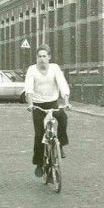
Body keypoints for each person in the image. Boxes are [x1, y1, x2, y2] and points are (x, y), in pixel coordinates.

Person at [24, 44, 70, 178]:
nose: (42, 59)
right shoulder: (32, 70)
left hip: (52, 102)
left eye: (44, 56)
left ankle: (60, 144)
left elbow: (63, 85)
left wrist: (66, 102)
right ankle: (39, 163)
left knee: (63, 118)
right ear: (36, 58)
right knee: (39, 134)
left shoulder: (55, 68)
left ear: (49, 57)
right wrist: (30, 103)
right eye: (39, 56)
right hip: (38, 105)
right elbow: (28, 89)